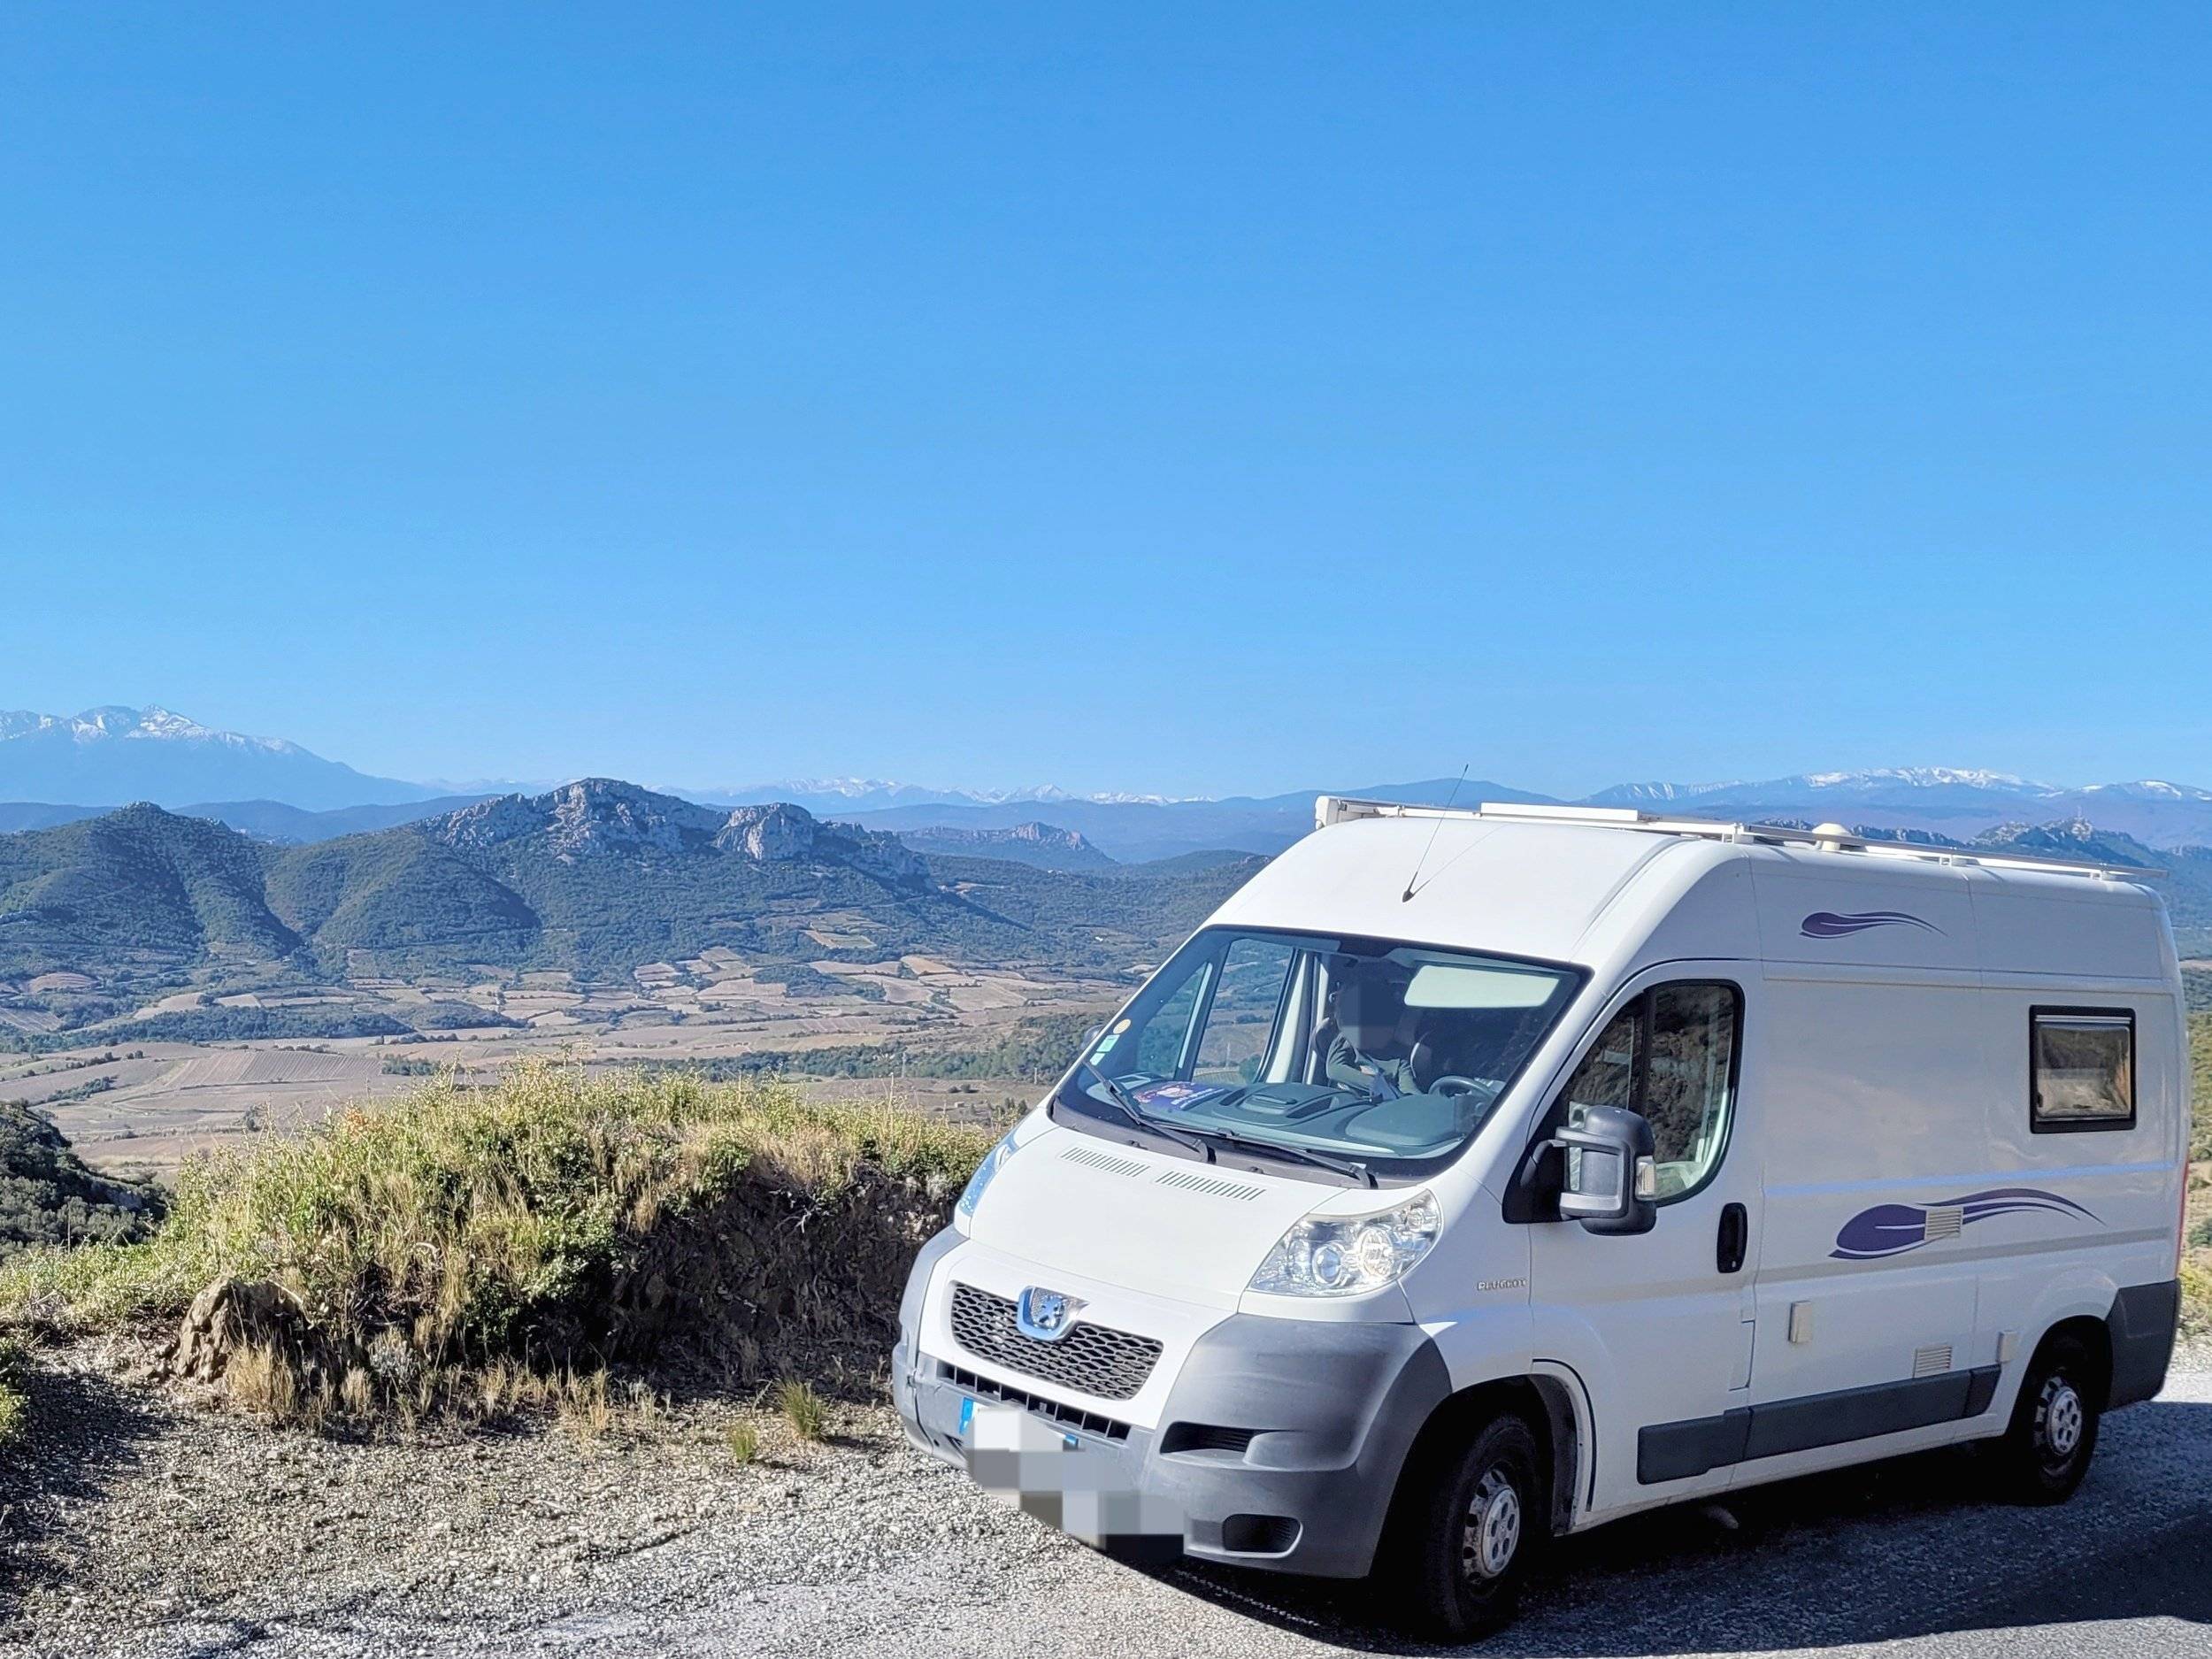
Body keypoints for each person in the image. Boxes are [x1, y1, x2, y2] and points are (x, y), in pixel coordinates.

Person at [1325, 962, 1421, 1099]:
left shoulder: (1398, 1058)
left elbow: (1410, 1091)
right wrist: (1379, 1086)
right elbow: (1334, 1070)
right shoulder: (1344, 1042)